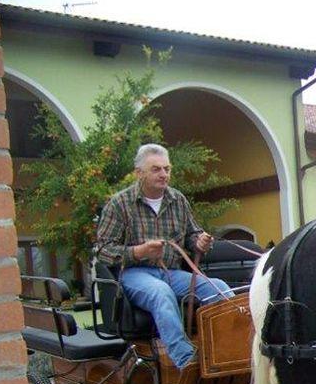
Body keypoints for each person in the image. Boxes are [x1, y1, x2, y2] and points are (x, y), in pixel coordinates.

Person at [95, 143, 231, 369]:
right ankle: (185, 361)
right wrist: (139, 252)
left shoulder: (178, 200)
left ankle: (225, 351)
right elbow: (102, 250)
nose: (164, 174)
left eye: (167, 169)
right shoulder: (119, 204)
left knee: (219, 288)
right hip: (134, 273)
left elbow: (192, 235)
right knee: (161, 293)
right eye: (156, 169)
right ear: (139, 173)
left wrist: (199, 241)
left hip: (172, 272)